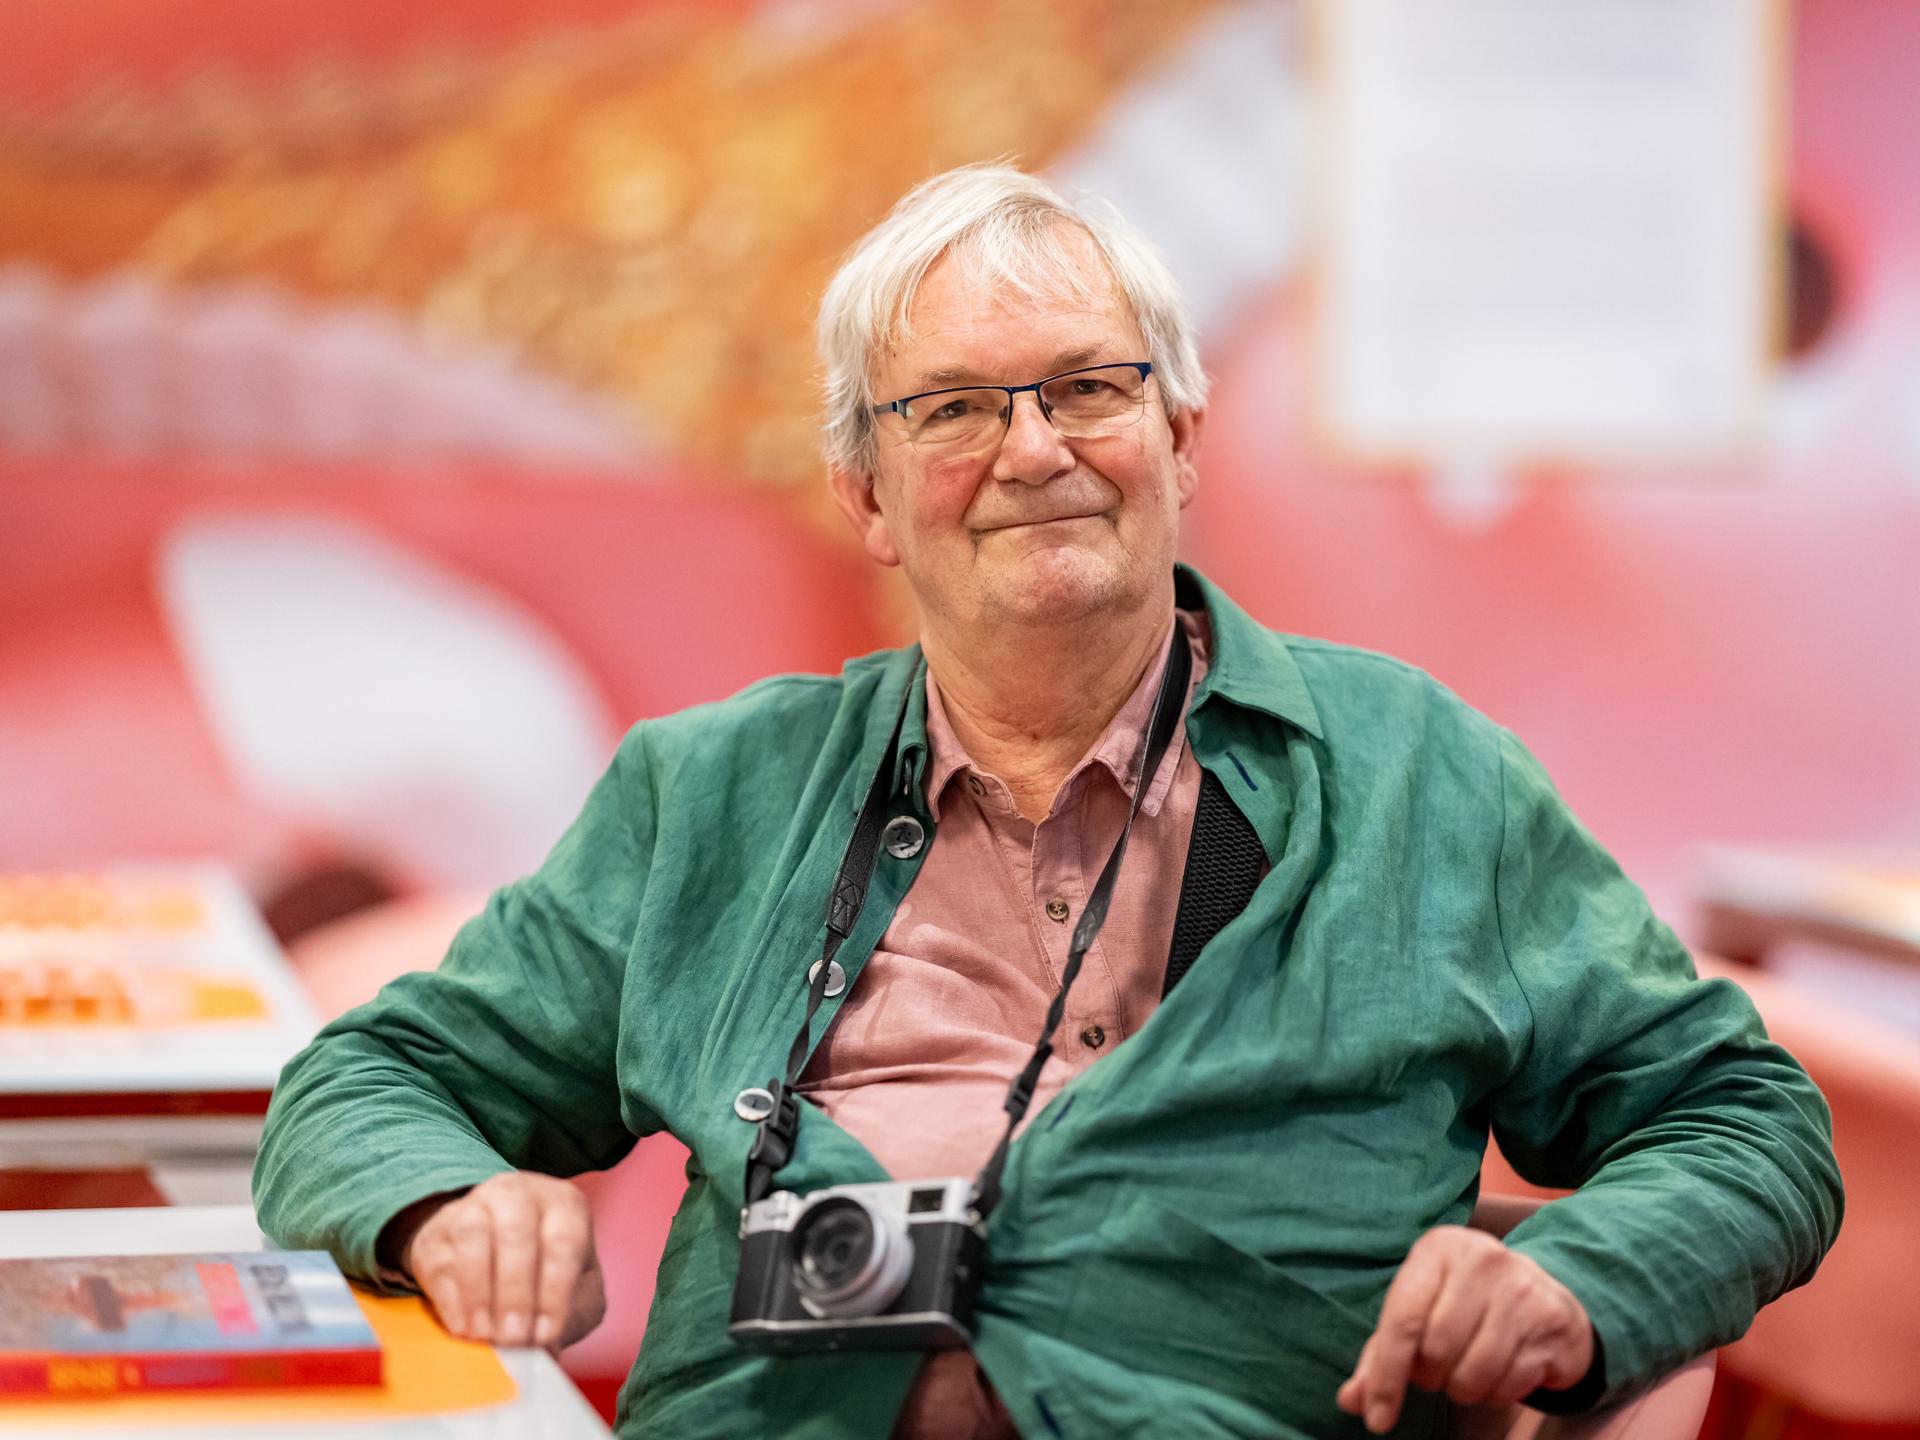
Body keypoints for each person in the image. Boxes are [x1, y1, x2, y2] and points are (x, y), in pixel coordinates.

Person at [254, 165, 1842, 1440]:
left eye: (1088, 387)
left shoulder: (1422, 775)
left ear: (1181, 435)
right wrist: (443, 1204)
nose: (1032, 451)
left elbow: (1749, 1122)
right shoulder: (712, 790)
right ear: (867, 497)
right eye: (949, 408)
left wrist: (1580, 1278)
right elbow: (367, 1080)